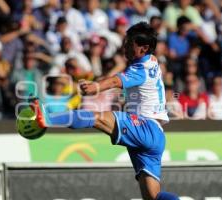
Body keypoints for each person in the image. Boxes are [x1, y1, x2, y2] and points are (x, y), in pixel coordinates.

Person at [28, 22, 179, 200]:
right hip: (156, 135)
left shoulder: (141, 68)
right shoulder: (152, 61)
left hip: (145, 127)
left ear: (144, 48)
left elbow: (116, 82)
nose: (125, 47)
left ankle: (47, 118)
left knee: (96, 117)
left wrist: (96, 87)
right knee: (153, 197)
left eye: (130, 44)